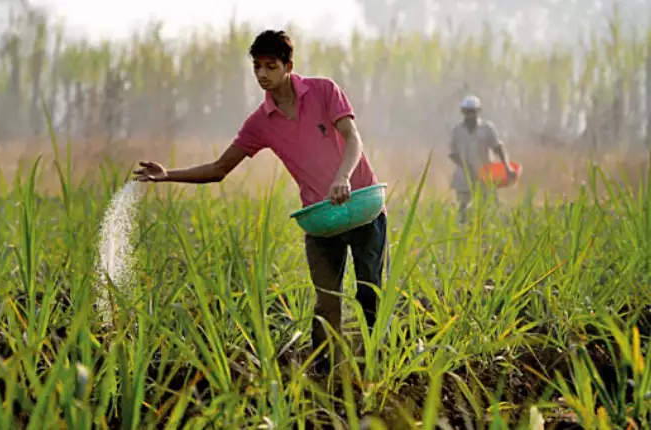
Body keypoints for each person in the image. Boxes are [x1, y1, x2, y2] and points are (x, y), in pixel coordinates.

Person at [132, 30, 388, 374]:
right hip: (322, 217)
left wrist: (343, 176)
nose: (262, 74)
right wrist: (167, 175)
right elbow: (219, 169)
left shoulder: (324, 91)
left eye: (270, 66)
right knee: (326, 301)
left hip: (363, 206)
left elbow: (352, 138)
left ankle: (371, 366)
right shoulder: (260, 123)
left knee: (370, 293)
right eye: (257, 67)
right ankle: (324, 373)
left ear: (288, 66)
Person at [448, 95, 516, 223]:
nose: (470, 115)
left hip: (485, 176)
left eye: (473, 111)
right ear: (463, 112)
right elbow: (452, 154)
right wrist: (467, 168)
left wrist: (507, 167)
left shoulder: (487, 128)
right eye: (468, 111)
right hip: (464, 178)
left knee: (489, 210)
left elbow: (498, 148)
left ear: (479, 111)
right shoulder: (457, 131)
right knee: (463, 210)